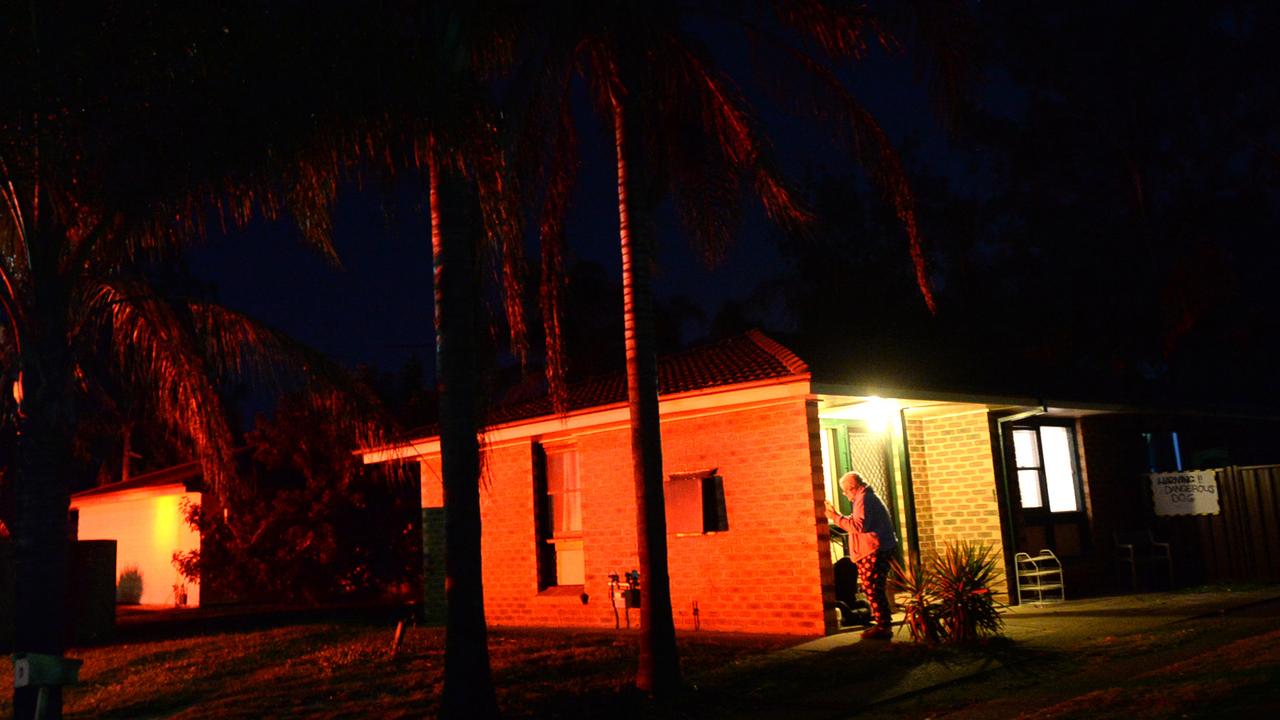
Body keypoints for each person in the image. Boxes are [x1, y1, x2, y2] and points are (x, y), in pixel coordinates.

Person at [825, 471, 898, 639]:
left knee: (872, 587)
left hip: (874, 549)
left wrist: (834, 517)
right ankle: (883, 623)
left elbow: (858, 526)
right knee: (873, 587)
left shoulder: (864, 499)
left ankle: (883, 626)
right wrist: (838, 516)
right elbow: (858, 520)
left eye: (845, 490)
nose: (844, 494)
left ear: (853, 488)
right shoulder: (865, 498)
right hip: (878, 547)